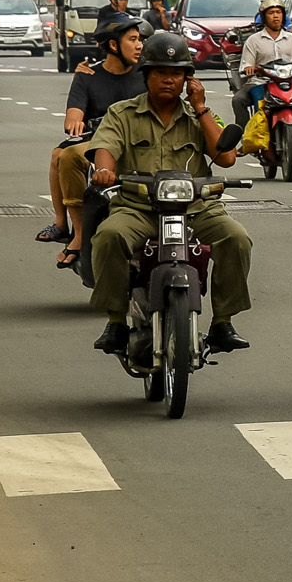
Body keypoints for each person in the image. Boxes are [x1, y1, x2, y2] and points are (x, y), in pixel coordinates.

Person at [87, 32, 253, 356]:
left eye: (176, 73)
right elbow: (105, 146)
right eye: (161, 72)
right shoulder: (122, 113)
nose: (168, 80)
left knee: (236, 238)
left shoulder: (200, 115)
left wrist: (202, 107)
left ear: (188, 79)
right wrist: (104, 171)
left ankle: (222, 322)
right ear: (147, 76)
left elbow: (228, 157)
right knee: (108, 236)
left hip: (196, 207)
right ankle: (116, 320)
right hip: (138, 208)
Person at [43, 20, 145, 270]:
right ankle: (74, 230)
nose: (139, 46)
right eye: (132, 40)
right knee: (63, 154)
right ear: (113, 45)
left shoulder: (147, 74)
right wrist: (77, 121)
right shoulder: (88, 75)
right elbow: (73, 116)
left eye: (140, 39)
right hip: (97, 141)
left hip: (142, 143)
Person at [237, 0, 292, 136]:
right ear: (264, 17)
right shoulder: (253, 40)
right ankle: (244, 135)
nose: (276, 16)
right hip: (261, 83)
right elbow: (247, 64)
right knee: (238, 100)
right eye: (271, 13)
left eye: (278, 12)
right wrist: (249, 68)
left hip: (291, 82)